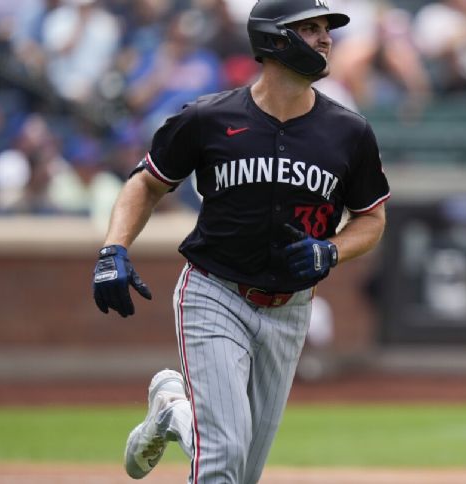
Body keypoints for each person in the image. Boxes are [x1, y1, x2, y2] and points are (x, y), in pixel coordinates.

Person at [91, 1, 390, 482]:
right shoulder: (209, 118)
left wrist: (332, 249)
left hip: (289, 309)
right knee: (223, 456)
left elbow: (372, 219)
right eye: (309, 28)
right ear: (273, 39)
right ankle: (182, 416)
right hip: (215, 294)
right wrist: (113, 248)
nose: (325, 38)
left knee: (242, 470)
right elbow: (146, 183)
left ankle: (174, 412)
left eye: (325, 28)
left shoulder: (349, 132)